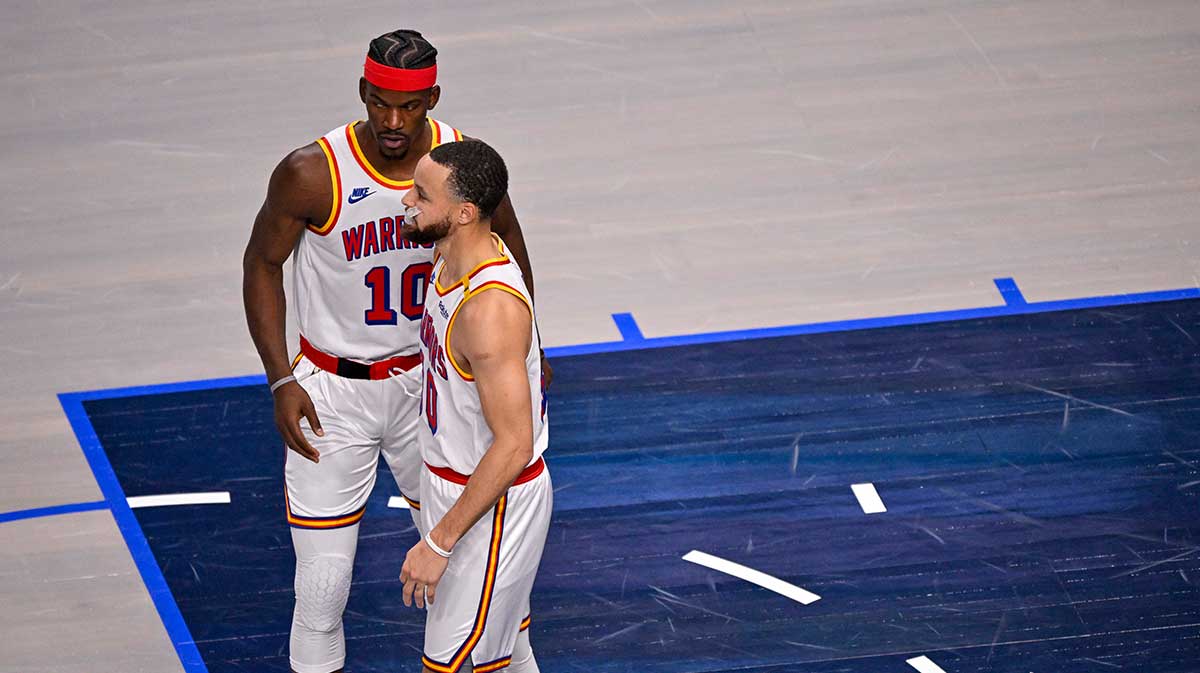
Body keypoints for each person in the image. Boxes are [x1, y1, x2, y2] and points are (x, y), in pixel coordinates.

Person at [241, 29, 542, 673]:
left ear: (433, 97)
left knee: (488, 596)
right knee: (320, 592)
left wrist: (520, 357)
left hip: (429, 393)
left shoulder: (461, 171)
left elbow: (508, 247)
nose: (393, 121)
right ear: (363, 93)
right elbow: (262, 263)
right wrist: (278, 378)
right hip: (331, 390)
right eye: (380, 104)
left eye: (408, 106)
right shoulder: (312, 172)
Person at [398, 140, 551, 673]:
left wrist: (438, 544)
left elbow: (513, 446)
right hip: (455, 486)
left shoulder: (489, 312)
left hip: (494, 502)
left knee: (449, 666)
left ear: (464, 213)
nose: (407, 203)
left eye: (421, 196)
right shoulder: (450, 255)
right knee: (510, 654)